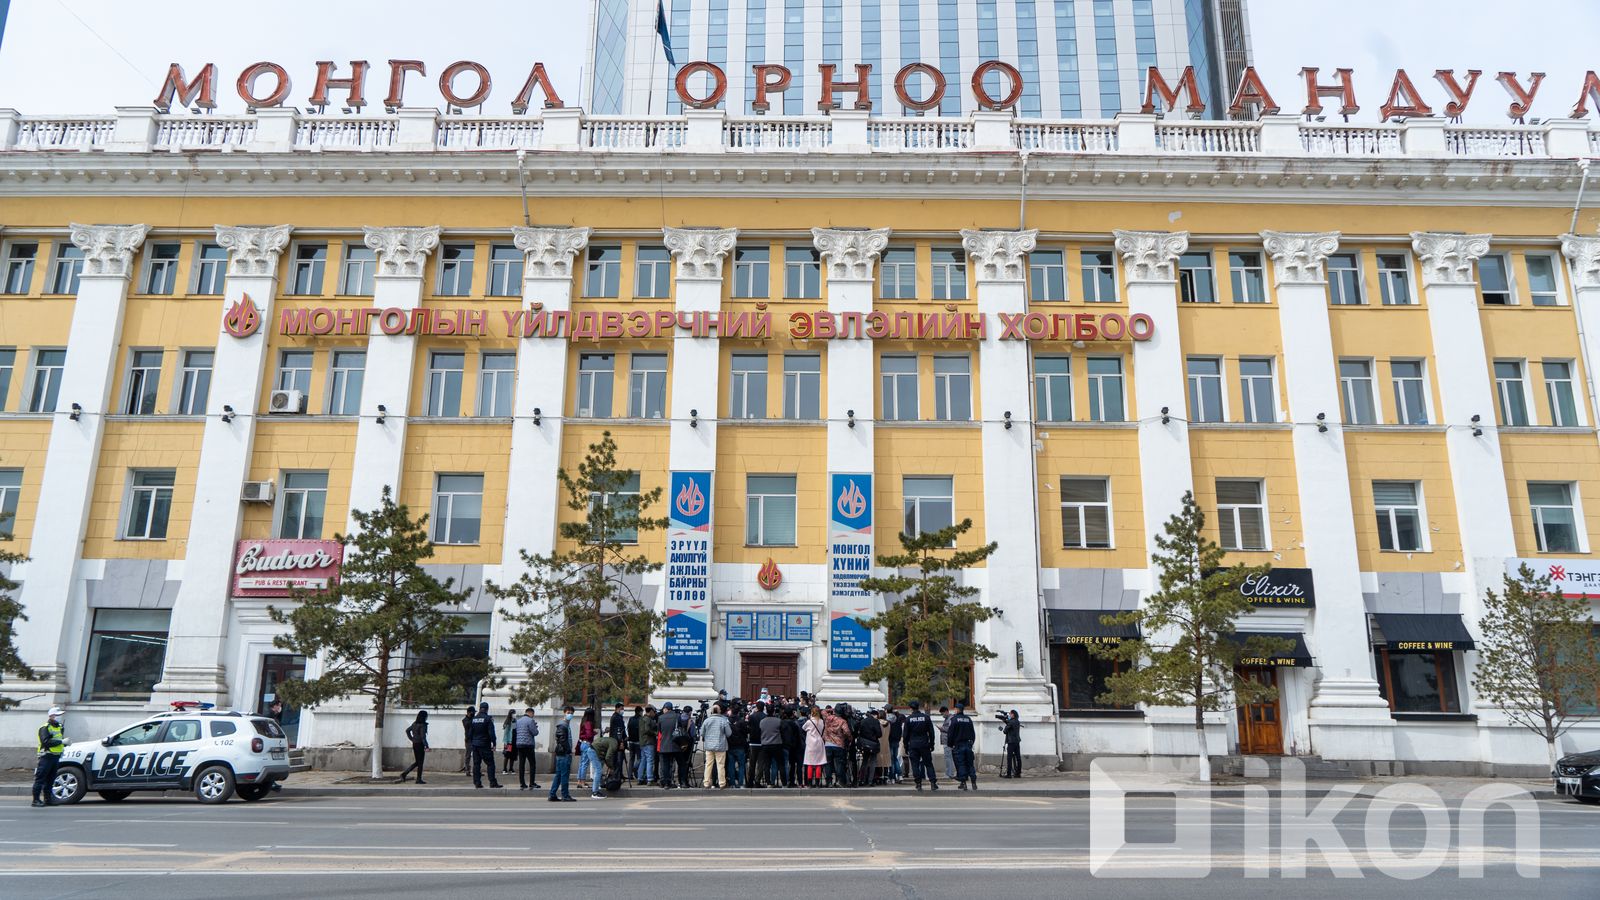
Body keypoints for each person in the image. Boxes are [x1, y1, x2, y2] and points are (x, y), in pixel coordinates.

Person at [31, 707, 66, 808]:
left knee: (51, 779)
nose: (60, 717)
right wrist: (61, 742)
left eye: (60, 715)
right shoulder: (45, 727)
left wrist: (64, 743)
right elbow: (45, 742)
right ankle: (35, 800)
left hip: (55, 756)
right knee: (40, 779)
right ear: (51, 716)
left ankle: (48, 799)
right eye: (58, 715)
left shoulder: (59, 727)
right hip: (46, 756)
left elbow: (58, 739)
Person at [903, 700, 939, 791]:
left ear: (911, 708)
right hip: (924, 744)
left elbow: (905, 735)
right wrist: (932, 744)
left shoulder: (908, 719)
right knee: (928, 764)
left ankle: (918, 784)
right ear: (918, 707)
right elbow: (931, 732)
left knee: (915, 765)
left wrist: (906, 746)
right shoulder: (926, 717)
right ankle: (933, 783)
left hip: (913, 745)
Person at [466, 702, 504, 788]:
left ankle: (477, 783)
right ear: (487, 709)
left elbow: (470, 734)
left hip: (475, 745)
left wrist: (472, 743)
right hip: (484, 744)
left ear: (480, 709)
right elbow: (491, 733)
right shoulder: (488, 719)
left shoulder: (474, 719)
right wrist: (494, 743)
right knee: (490, 764)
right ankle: (492, 782)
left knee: (476, 764)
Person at [547, 706, 576, 802]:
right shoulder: (562, 726)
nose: (570, 714)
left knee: (559, 775)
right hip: (564, 754)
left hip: (562, 753)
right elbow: (562, 740)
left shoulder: (565, 725)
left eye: (571, 713)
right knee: (564, 775)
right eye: (568, 712)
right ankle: (565, 795)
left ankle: (552, 794)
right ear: (564, 713)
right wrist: (568, 751)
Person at [699, 703, 731, 789]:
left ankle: (706, 783)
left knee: (708, 765)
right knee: (720, 765)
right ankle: (722, 783)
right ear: (719, 711)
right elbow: (729, 733)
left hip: (709, 746)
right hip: (720, 746)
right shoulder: (723, 721)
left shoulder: (707, 721)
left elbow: (701, 733)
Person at [947, 703, 977, 790]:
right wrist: (971, 743)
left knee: (961, 764)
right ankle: (974, 783)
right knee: (970, 764)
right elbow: (973, 733)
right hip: (968, 745)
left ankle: (964, 783)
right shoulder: (968, 719)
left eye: (955, 709)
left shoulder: (954, 719)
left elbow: (950, 734)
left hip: (958, 746)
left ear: (957, 710)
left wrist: (950, 744)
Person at [822, 705, 851, 788]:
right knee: (839, 764)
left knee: (828, 764)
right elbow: (847, 732)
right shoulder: (842, 721)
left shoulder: (828, 718)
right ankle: (839, 781)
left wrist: (833, 709)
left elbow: (823, 711)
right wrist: (849, 738)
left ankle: (829, 782)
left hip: (828, 744)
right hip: (839, 744)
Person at [756, 703, 783, 789]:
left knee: (767, 765)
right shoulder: (778, 721)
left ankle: (768, 782)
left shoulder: (762, 721)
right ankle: (784, 782)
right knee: (780, 764)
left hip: (765, 744)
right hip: (776, 744)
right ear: (773, 711)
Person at [853, 707, 882, 787]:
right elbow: (879, 734)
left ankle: (861, 780)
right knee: (873, 762)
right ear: (875, 715)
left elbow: (858, 732)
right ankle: (870, 781)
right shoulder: (876, 721)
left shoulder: (863, 721)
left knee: (864, 762)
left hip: (864, 744)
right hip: (873, 744)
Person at [513, 707, 540, 790]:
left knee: (522, 764)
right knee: (532, 764)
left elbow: (516, 731)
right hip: (528, 745)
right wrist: (536, 727)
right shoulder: (530, 721)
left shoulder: (518, 721)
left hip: (519, 744)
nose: (533, 716)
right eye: (533, 714)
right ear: (531, 713)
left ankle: (522, 783)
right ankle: (532, 783)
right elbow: (535, 732)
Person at [399, 710, 429, 784]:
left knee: (418, 762)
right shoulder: (422, 725)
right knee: (420, 763)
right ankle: (418, 779)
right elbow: (423, 737)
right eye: (426, 716)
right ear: (424, 717)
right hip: (420, 744)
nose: (427, 717)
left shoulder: (414, 724)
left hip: (415, 744)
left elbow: (407, 730)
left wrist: (412, 739)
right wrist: (426, 746)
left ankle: (405, 774)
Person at [801, 705, 826, 787]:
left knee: (810, 763)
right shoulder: (821, 721)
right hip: (819, 743)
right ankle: (817, 783)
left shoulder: (809, 722)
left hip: (810, 744)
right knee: (819, 763)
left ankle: (810, 783)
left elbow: (803, 728)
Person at [655, 702, 678, 789]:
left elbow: (659, 731)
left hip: (664, 745)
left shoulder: (661, 717)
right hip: (674, 745)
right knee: (672, 764)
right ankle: (670, 781)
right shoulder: (677, 716)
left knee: (664, 765)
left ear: (665, 709)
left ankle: (665, 783)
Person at [590, 731, 618, 799]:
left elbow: (606, 756)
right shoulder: (614, 744)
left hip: (594, 750)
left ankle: (599, 785)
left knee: (598, 770)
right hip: (594, 751)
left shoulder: (612, 740)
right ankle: (595, 792)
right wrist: (611, 767)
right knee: (598, 771)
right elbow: (608, 757)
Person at [726, 705, 748, 789]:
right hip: (740, 745)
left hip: (730, 745)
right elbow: (746, 732)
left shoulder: (727, 721)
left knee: (731, 765)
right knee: (741, 765)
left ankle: (732, 783)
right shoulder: (741, 721)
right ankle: (740, 783)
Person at [576, 707, 598, 789]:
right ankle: (582, 781)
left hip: (582, 743)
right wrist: (594, 733)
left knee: (582, 763)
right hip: (587, 743)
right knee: (585, 763)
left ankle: (579, 781)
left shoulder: (583, 722)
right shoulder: (588, 723)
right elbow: (589, 734)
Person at [781, 707, 803, 787]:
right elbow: (798, 735)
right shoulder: (794, 723)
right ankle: (796, 781)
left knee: (788, 764)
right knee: (795, 765)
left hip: (785, 745)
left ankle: (788, 781)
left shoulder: (782, 722)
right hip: (795, 746)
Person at [638, 704, 659, 786]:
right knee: (650, 760)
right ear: (651, 711)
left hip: (642, 742)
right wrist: (655, 733)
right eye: (654, 712)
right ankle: (650, 779)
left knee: (643, 760)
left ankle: (640, 778)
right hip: (649, 742)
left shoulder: (641, 719)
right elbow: (647, 729)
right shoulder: (648, 719)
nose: (655, 713)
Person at [1000, 709, 1022, 779]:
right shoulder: (1017, 721)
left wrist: (1006, 722)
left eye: (1010, 714)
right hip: (1017, 741)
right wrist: (1007, 721)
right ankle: (1018, 773)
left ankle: (1009, 774)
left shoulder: (1011, 722)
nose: (1009, 715)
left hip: (1011, 742)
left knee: (1009, 758)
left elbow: (1005, 731)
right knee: (1018, 758)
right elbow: (1011, 727)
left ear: (1013, 714)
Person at [885, 707, 904, 784]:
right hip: (896, 740)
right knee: (895, 758)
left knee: (891, 760)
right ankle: (899, 775)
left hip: (889, 741)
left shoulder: (887, 720)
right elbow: (900, 730)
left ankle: (892, 777)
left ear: (886, 710)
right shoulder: (897, 719)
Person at [626, 705, 643, 783]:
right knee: (640, 758)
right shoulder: (641, 719)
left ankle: (630, 774)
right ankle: (634, 768)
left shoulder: (631, 719)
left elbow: (628, 728)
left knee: (631, 758)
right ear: (639, 712)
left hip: (631, 741)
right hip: (638, 741)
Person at [938, 706, 955, 780]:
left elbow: (951, 729)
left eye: (943, 714)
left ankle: (949, 774)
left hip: (948, 741)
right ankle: (949, 773)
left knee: (948, 758)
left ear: (946, 711)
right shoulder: (947, 719)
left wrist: (942, 729)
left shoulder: (951, 718)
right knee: (948, 757)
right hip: (946, 741)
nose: (942, 715)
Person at [501, 710, 518, 775]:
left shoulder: (515, 721)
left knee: (513, 755)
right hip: (509, 742)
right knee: (507, 755)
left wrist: (514, 721)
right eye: (513, 713)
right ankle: (504, 769)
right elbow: (506, 733)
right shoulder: (507, 722)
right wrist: (505, 742)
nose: (514, 715)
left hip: (514, 741)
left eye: (514, 713)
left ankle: (511, 768)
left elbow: (515, 729)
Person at [459, 706, 475, 773]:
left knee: (477, 755)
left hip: (475, 739)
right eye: (472, 712)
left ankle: (476, 770)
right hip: (468, 740)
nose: (474, 714)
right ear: (469, 712)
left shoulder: (474, 719)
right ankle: (467, 769)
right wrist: (472, 719)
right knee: (468, 755)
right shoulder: (465, 720)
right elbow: (467, 725)